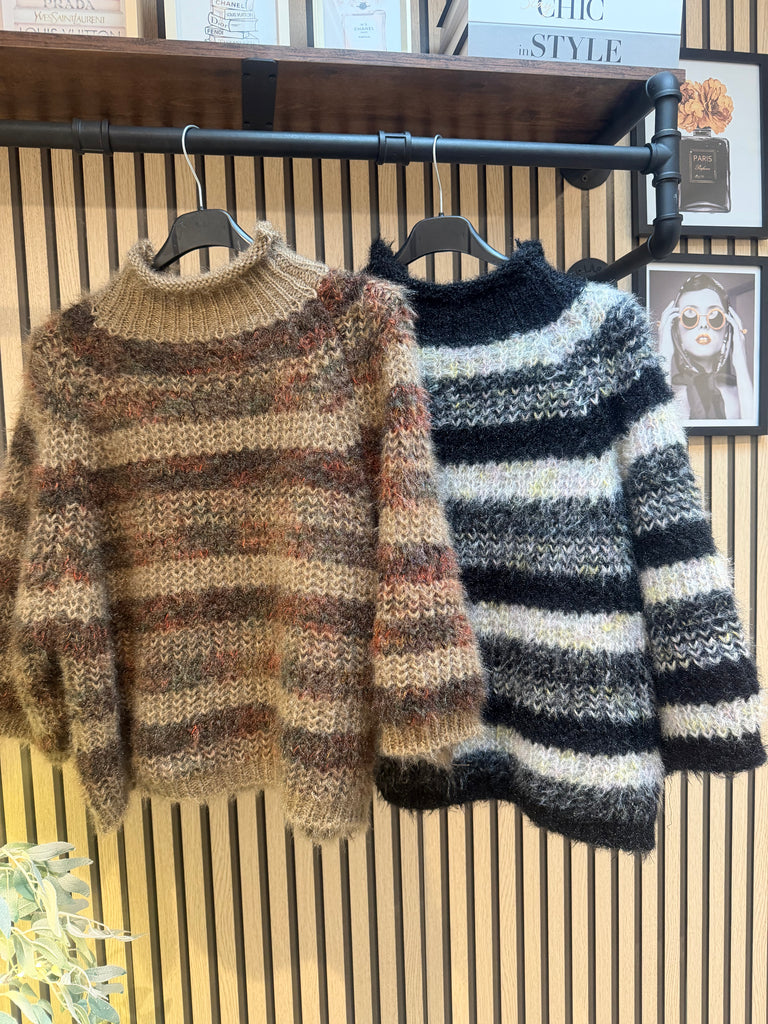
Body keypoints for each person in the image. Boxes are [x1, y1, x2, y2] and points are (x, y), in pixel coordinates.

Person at [657, 272, 754, 421]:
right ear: (675, 329)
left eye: (715, 316)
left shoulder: (742, 392)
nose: (703, 325)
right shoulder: (667, 393)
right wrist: (664, 354)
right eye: (690, 315)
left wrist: (740, 362)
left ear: (728, 327)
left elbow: (757, 429)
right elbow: (655, 430)